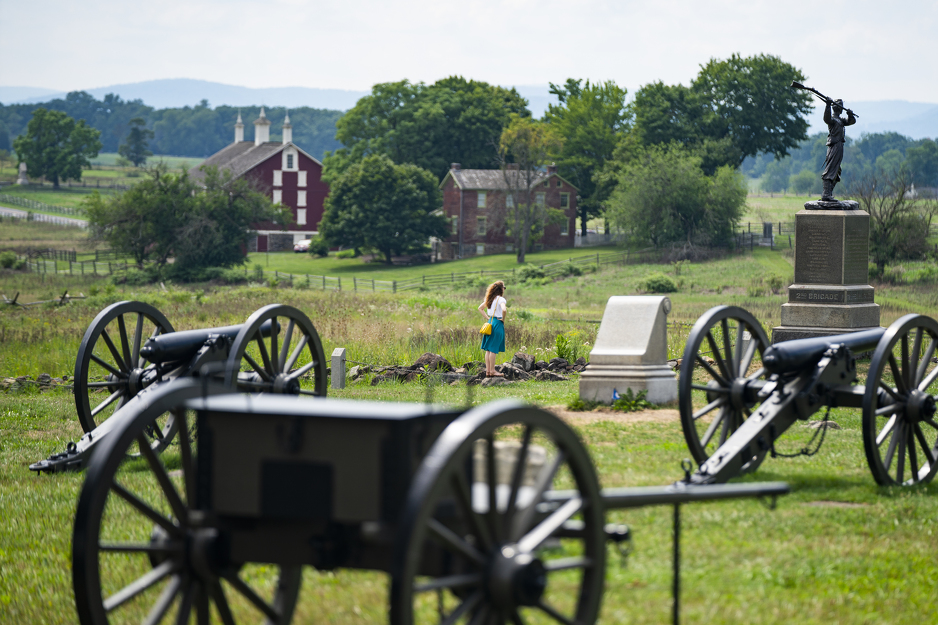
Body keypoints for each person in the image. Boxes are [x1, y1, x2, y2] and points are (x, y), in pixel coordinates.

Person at [821, 98, 856, 201]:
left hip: (840, 146)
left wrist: (850, 114)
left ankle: (829, 192)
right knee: (831, 169)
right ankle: (826, 194)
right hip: (834, 146)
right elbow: (826, 119)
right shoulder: (833, 120)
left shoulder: (841, 120)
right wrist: (827, 106)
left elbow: (852, 121)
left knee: (837, 170)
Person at [478, 280, 507, 377]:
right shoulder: (501, 299)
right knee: (493, 349)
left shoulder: (489, 298)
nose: (504, 289)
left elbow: (480, 308)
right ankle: (493, 371)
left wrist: (487, 318)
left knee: (488, 349)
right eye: (504, 287)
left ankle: (488, 371)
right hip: (497, 323)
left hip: (490, 322)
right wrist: (502, 319)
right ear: (501, 289)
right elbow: (504, 309)